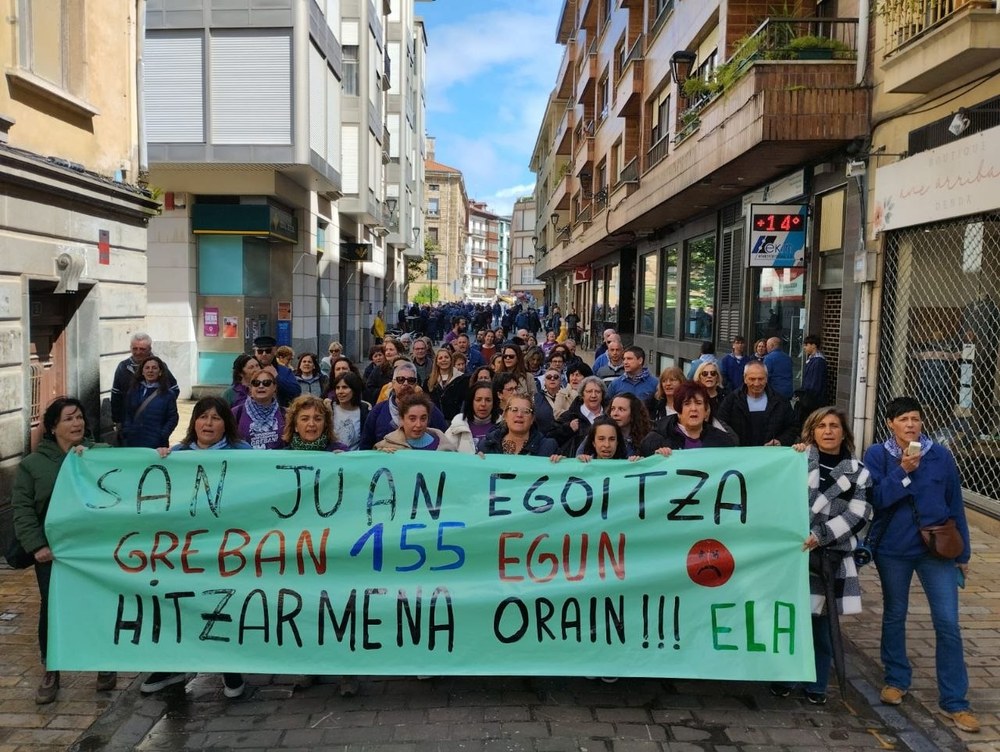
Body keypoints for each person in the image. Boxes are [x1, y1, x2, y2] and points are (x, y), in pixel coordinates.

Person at [862, 396, 978, 733]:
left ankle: (955, 702)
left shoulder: (940, 455)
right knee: (895, 614)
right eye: (904, 419)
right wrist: (903, 472)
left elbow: (955, 505)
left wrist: (964, 555)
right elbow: (877, 499)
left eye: (916, 418)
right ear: (890, 424)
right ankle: (896, 680)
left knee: (948, 622)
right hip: (894, 549)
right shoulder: (878, 455)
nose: (911, 424)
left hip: (938, 549)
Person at [141, 397, 249, 699]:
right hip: (185, 549)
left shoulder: (244, 454)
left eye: (215, 418)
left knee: (223, 603)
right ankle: (174, 664)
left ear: (226, 423)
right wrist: (160, 457)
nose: (208, 424)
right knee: (182, 603)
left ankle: (230, 669)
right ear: (194, 423)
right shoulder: (178, 454)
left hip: (228, 547)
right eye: (203, 417)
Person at [12, 397, 117, 704]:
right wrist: (37, 546)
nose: (77, 423)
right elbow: (22, 510)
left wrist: (163, 453)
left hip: (92, 550)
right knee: (53, 607)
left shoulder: (98, 454)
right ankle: (52, 667)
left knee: (98, 603)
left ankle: (104, 663)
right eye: (69, 418)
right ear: (53, 426)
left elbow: (132, 465)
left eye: (80, 417)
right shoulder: (32, 465)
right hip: (54, 555)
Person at [770, 406, 872, 706]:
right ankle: (785, 677)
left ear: (844, 432)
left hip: (830, 557)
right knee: (790, 617)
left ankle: (817, 683)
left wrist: (822, 535)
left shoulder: (859, 471)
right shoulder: (796, 460)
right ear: (811, 431)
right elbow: (776, 498)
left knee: (823, 626)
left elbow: (860, 513)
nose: (828, 431)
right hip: (794, 552)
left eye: (834, 426)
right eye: (821, 426)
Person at [360, 363, 447, 449]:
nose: (406, 384)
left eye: (411, 380)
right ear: (393, 383)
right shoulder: (378, 411)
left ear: (416, 384)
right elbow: (366, 445)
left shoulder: (430, 409)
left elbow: (444, 438)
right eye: (400, 379)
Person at [110, 332, 178, 441]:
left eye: (142, 349)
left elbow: (174, 390)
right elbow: (116, 396)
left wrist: (160, 405)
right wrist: (118, 422)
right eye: (135, 348)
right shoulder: (123, 367)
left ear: (150, 349)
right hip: (130, 428)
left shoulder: (160, 366)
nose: (138, 352)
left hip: (155, 429)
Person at [641, 382, 737, 455]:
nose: (693, 409)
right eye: (687, 404)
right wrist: (654, 459)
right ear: (678, 409)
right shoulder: (656, 439)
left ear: (706, 410)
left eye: (698, 403)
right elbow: (640, 469)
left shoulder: (722, 441)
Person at [716, 362, 797, 447]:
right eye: (752, 379)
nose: (756, 383)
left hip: (770, 455)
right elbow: (720, 426)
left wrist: (781, 441)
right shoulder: (731, 401)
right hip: (740, 455)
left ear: (766, 379)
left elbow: (792, 427)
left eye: (761, 379)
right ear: (745, 379)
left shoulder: (780, 402)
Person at [121, 356, 179, 449]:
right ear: (142, 372)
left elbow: (172, 418)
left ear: (160, 372)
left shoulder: (168, 394)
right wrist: (127, 431)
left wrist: (162, 435)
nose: (150, 371)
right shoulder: (133, 390)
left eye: (154, 368)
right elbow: (127, 413)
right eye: (147, 368)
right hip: (133, 441)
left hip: (156, 444)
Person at [481, 393, 560, 457]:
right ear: (505, 415)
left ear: (532, 419)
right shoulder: (487, 445)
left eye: (526, 411)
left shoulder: (548, 447)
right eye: (514, 410)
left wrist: (560, 463)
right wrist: (477, 461)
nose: (519, 415)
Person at [375, 392, 457, 452]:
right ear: (401, 420)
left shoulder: (445, 447)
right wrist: (381, 456)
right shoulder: (387, 445)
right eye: (412, 419)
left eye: (423, 418)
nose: (418, 424)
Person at [231, 365, 286, 449]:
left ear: (274, 387)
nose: (261, 386)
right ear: (250, 388)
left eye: (266, 383)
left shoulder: (285, 414)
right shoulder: (236, 413)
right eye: (256, 383)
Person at [550, 375, 607, 455]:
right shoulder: (570, 415)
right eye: (589, 391)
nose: (593, 395)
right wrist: (568, 428)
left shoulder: (610, 415)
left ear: (602, 395)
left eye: (597, 392)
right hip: (576, 464)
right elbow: (551, 438)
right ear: (582, 394)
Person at [445, 380, 498, 453]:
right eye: (478, 400)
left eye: (488, 400)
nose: (483, 404)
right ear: (471, 401)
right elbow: (445, 455)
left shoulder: (503, 426)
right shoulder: (458, 425)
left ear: (494, 403)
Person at [281, 394, 346, 452]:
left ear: (325, 424)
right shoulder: (284, 456)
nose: (311, 424)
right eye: (305, 419)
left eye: (317, 419)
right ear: (295, 425)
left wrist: (343, 461)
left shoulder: (340, 451)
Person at [253, 335, 301, 407]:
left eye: (268, 351)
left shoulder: (284, 371)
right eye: (260, 351)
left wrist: (277, 377)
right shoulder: (250, 369)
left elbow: (296, 392)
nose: (264, 354)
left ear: (274, 351)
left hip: (278, 412)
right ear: (255, 352)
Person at [328, 371, 370, 451]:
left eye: (345, 387)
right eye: (337, 388)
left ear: (354, 389)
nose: (340, 391)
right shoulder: (329, 408)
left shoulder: (365, 411)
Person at [427, 347, 466, 421]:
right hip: (436, 421)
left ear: (451, 360)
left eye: (446, 357)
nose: (444, 360)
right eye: (440, 358)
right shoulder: (429, 381)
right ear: (437, 362)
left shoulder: (463, 379)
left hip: (457, 420)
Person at [799, 335, 828, 418]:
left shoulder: (818, 361)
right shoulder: (811, 359)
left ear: (814, 345)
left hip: (813, 400)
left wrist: (807, 396)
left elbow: (816, 382)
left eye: (806, 345)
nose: (804, 348)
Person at [534, 368, 563, 435]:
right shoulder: (535, 398)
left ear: (560, 381)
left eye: (556, 377)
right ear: (544, 381)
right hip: (543, 438)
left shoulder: (568, 396)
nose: (552, 379)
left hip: (566, 439)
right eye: (549, 377)